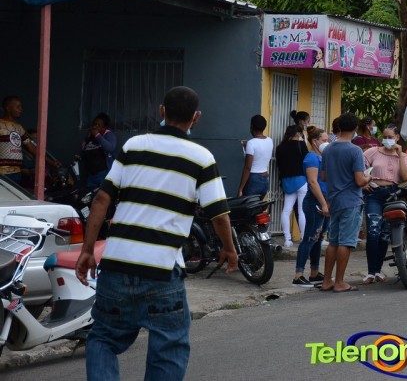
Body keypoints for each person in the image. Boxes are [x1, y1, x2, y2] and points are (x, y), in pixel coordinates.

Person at [75, 86, 237, 381]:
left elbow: (101, 199)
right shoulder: (201, 158)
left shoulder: (134, 146)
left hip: (116, 265)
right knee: (169, 348)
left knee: (103, 338)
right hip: (162, 270)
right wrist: (229, 248)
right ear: (196, 117)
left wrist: (87, 250)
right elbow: (218, 214)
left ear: (161, 111)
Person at [319, 113, 371, 292]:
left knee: (333, 241)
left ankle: (327, 280)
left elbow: (323, 177)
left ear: (339, 127)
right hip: (350, 200)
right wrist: (368, 177)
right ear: (356, 128)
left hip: (333, 200)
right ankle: (340, 282)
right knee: (346, 242)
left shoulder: (328, 150)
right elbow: (359, 180)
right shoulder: (355, 150)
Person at [361, 125, 407, 284]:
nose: (387, 140)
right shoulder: (373, 152)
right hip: (374, 193)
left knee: (385, 233)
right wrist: (363, 183)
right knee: (373, 231)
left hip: (393, 194)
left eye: (390, 137)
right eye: (385, 137)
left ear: (397, 138)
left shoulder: (404, 156)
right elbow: (358, 167)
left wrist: (400, 154)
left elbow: (405, 177)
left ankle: (378, 270)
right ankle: (370, 272)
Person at [292, 126, 330, 288]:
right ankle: (298, 275)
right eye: (324, 140)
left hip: (325, 201)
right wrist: (323, 204)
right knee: (309, 237)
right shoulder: (312, 158)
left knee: (318, 238)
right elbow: (313, 183)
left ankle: (314, 273)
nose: (327, 143)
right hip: (315, 202)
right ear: (315, 141)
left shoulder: (323, 157)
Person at [0, 95, 59, 183]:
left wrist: (51, 162)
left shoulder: (19, 127)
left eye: (21, 107)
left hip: (16, 173)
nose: (21, 109)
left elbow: (32, 148)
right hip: (3, 174)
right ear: (8, 108)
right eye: (18, 107)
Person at [275, 125, 309, 247]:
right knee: (301, 210)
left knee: (286, 210)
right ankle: (304, 237)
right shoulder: (301, 145)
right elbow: (306, 161)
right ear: (298, 134)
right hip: (301, 180)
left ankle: (287, 240)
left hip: (287, 182)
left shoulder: (280, 148)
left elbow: (279, 165)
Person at [237, 115, 273, 198]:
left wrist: (241, 188)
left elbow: (248, 167)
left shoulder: (251, 143)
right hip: (265, 179)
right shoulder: (270, 140)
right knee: (258, 205)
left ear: (252, 127)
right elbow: (261, 149)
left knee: (248, 204)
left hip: (253, 179)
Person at [79, 113, 117, 190]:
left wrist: (97, 135)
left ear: (104, 128)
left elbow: (110, 148)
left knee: (102, 194)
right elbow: (85, 148)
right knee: (89, 194)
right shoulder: (90, 135)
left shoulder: (108, 135)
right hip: (91, 174)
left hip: (104, 174)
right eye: (94, 124)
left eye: (98, 125)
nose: (95, 127)